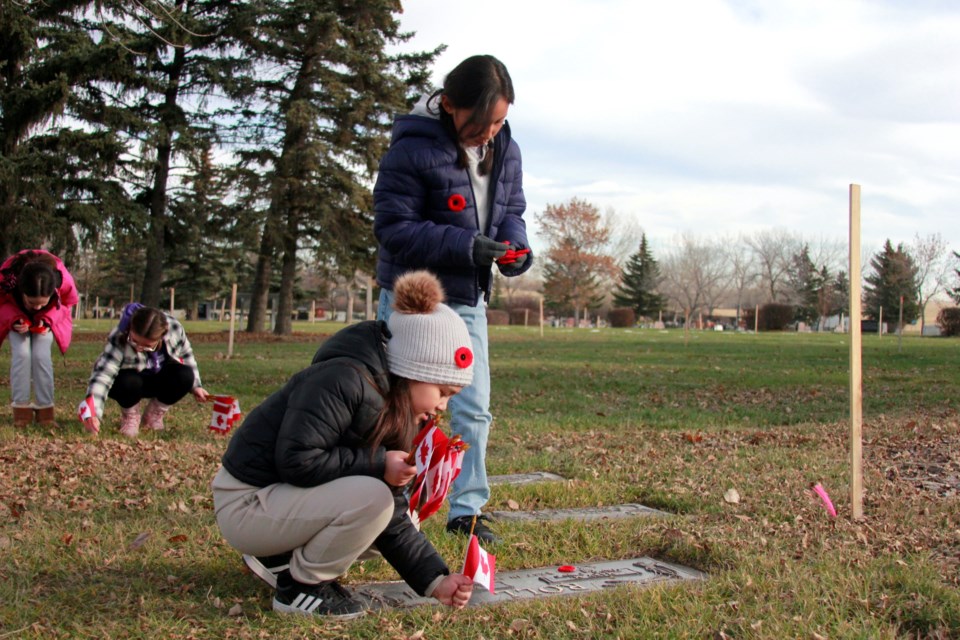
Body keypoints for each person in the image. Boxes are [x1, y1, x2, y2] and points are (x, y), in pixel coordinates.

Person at [211, 271, 476, 618]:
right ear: (414, 368)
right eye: (442, 392)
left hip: (280, 500)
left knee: (398, 510)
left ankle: (279, 559)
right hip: (246, 503)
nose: (443, 405)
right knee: (373, 499)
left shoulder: (398, 407)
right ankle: (301, 588)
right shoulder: (342, 379)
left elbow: (393, 514)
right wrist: (379, 464)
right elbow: (297, 460)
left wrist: (436, 580)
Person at [373, 54, 533, 544]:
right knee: (398, 404)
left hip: (467, 297)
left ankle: (465, 509)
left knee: (473, 407)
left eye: (500, 122)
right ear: (448, 105)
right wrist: (465, 246)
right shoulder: (411, 149)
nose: (489, 133)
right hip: (412, 301)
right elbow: (393, 228)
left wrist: (515, 248)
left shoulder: (506, 148)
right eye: (481, 122)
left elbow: (512, 210)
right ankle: (388, 503)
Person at [80, 303, 209, 438]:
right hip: (128, 383)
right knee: (129, 381)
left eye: (147, 346)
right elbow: (102, 375)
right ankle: (130, 416)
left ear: (162, 336)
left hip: (158, 378)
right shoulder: (119, 336)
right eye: (134, 341)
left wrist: (196, 386)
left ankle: (153, 415)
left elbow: (186, 355)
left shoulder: (175, 329)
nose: (139, 347)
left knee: (186, 375)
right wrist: (93, 413)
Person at [0, 250, 78, 427]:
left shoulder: (62, 279)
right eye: (31, 302)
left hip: (48, 321)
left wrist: (47, 318)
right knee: (22, 355)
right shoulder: (6, 278)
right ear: (21, 290)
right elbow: (1, 302)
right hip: (16, 318)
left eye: (42, 303)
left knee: (41, 356)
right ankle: (21, 412)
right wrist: (14, 319)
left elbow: (67, 303)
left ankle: (45, 412)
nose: (36, 308)